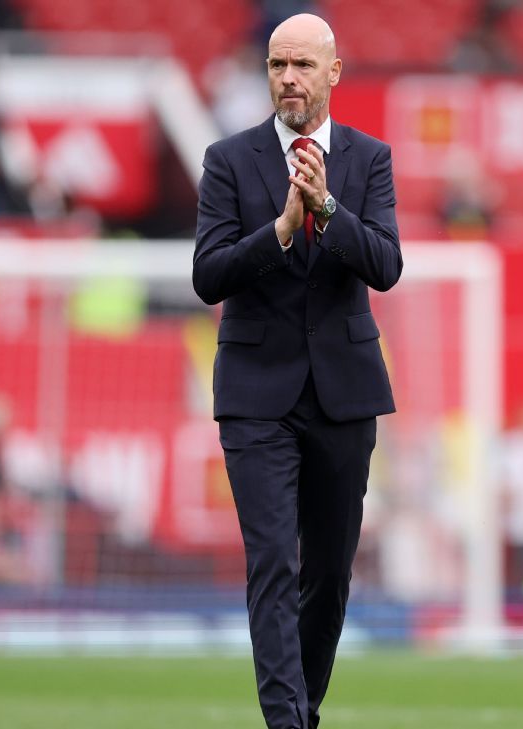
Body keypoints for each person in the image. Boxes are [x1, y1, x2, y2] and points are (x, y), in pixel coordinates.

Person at [192, 13, 401, 729]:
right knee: (274, 562)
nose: (288, 78)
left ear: (333, 73)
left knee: (330, 573)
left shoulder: (369, 159)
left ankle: (301, 713)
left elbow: (386, 264)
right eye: (277, 65)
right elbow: (209, 275)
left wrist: (326, 209)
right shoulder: (228, 158)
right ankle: (286, 723)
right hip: (256, 394)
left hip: (345, 392)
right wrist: (281, 230)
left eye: (303, 65)